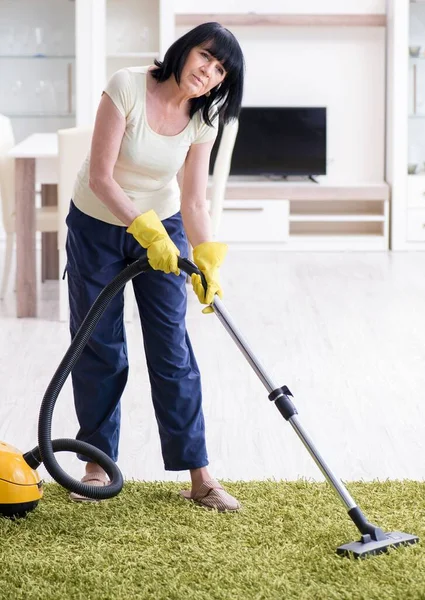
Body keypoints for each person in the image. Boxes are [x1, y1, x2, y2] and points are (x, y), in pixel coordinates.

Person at [66, 22, 245, 511]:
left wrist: (207, 260)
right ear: (186, 51)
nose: (209, 73)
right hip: (98, 224)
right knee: (99, 345)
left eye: (220, 71)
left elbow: (194, 200)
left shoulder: (202, 117)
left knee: (172, 349)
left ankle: (200, 475)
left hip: (164, 226)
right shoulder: (127, 86)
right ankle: (97, 462)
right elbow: (101, 177)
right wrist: (141, 229)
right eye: (206, 58)